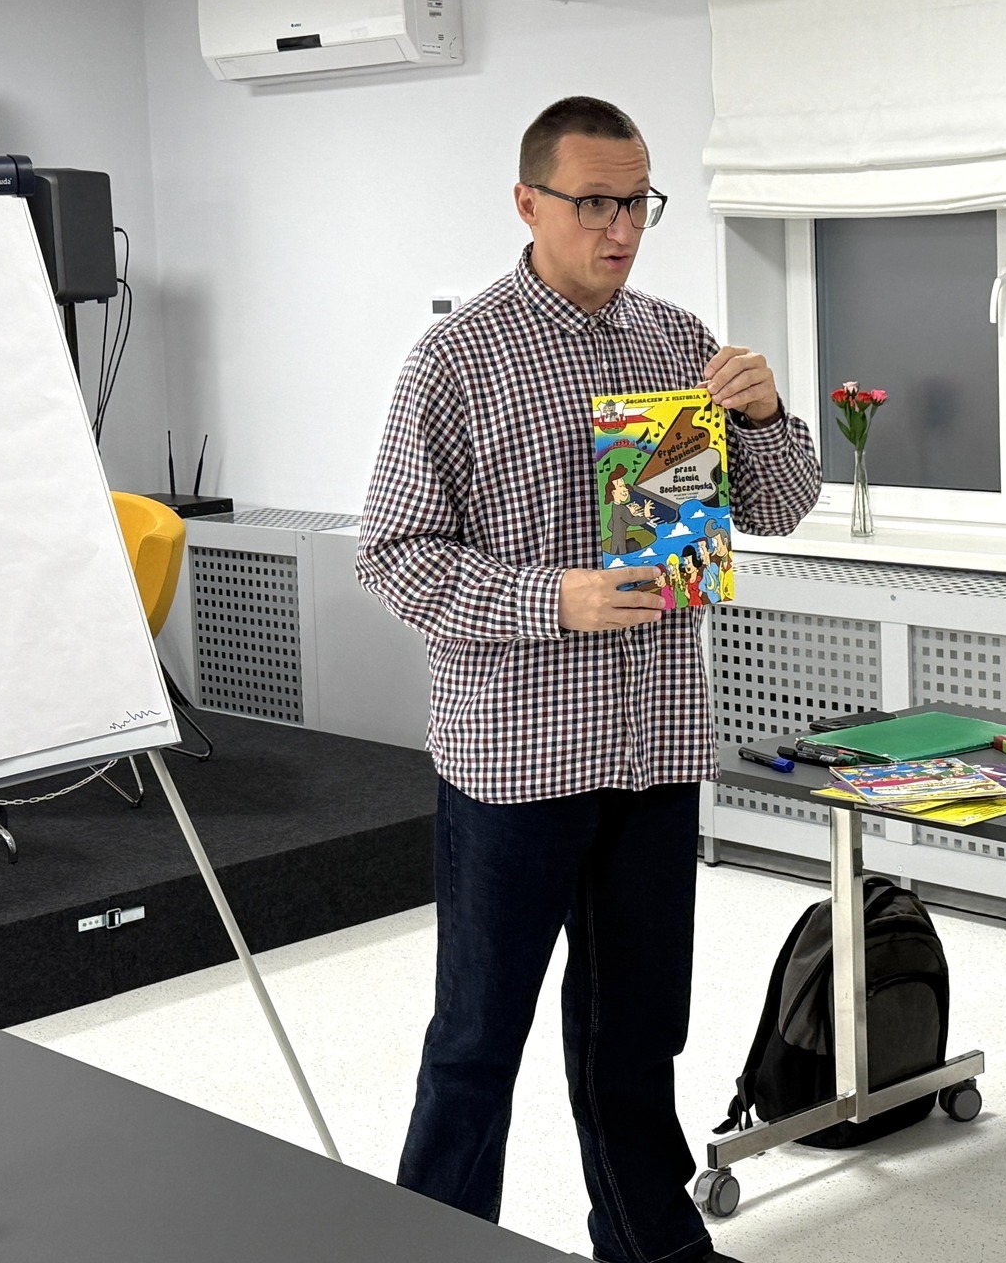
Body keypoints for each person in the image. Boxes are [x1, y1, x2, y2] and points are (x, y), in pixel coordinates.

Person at [359, 95, 821, 1263]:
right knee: (476, 1043)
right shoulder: (455, 360)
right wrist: (549, 600)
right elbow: (394, 557)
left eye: (638, 204)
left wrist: (766, 416)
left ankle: (651, 1246)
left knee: (636, 1039)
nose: (621, 229)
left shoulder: (676, 342)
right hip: (514, 763)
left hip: (652, 750)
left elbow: (776, 508)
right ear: (528, 203)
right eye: (595, 204)